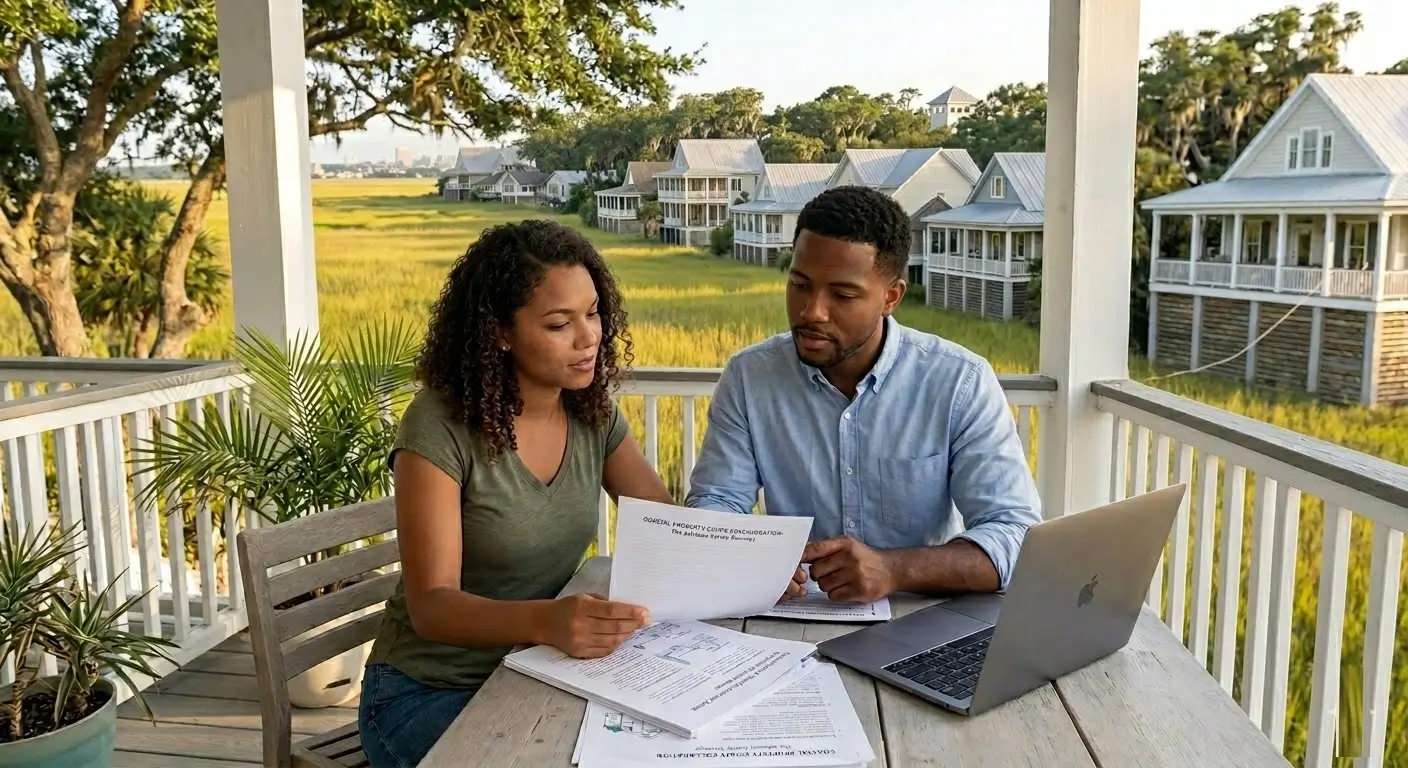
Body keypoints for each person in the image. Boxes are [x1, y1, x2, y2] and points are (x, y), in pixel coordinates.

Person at [358, 220, 673, 768]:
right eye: (559, 324)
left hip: (541, 672)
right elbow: (431, 606)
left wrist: (756, 563)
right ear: (500, 333)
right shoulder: (439, 425)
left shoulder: (590, 412)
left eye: (593, 313)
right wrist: (547, 621)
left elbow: (665, 526)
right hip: (427, 693)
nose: (588, 337)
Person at [685, 185, 1043, 606]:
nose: (811, 311)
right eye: (799, 284)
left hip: (921, 616)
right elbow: (716, 502)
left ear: (891, 297)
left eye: (842, 295)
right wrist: (746, 556)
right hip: (795, 616)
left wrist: (895, 569)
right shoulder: (750, 377)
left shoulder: (959, 382)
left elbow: (1015, 536)